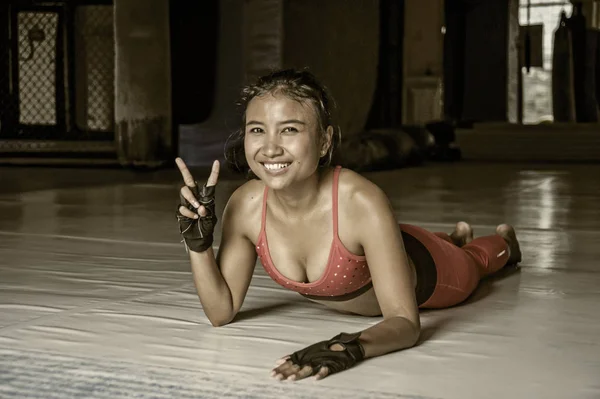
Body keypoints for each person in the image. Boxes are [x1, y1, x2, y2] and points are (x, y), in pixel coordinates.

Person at [175, 69, 522, 382]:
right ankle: (454, 235)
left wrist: (350, 346)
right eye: (257, 130)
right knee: (435, 241)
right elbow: (221, 312)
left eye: (290, 130)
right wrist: (199, 247)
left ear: (325, 141)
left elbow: (404, 323)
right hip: (386, 243)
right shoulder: (245, 206)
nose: (270, 148)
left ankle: (500, 243)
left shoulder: (361, 201)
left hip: (431, 269)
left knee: (474, 262)